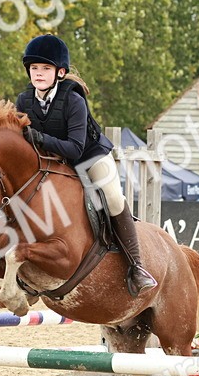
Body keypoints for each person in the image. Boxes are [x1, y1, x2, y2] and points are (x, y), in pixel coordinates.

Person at [14, 34, 157, 296]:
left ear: (60, 72)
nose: (39, 73)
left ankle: (136, 267)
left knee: (112, 197)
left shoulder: (73, 100)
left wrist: (40, 138)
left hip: (89, 157)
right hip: (53, 163)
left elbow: (75, 148)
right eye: (34, 68)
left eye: (45, 68)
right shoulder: (24, 101)